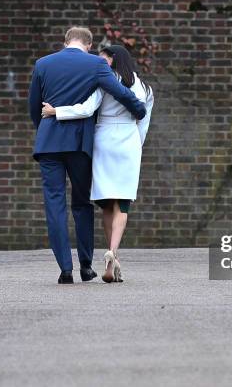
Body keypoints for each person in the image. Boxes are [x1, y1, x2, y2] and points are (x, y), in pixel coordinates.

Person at [28, 27, 146, 285]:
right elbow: (120, 91)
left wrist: (46, 131)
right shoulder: (95, 64)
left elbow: (33, 105)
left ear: (65, 41)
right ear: (89, 44)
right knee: (81, 204)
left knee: (54, 205)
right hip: (80, 144)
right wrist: (139, 109)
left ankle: (64, 269)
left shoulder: (43, 63)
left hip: (48, 142)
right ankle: (85, 266)